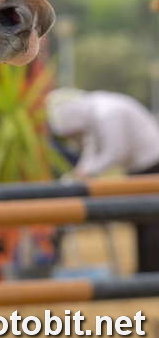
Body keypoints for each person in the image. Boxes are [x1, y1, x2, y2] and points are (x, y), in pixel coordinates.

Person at [47, 87, 159, 272]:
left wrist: (87, 173)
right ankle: (144, 272)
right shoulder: (95, 113)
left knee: (152, 223)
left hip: (153, 166)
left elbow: (115, 152)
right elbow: (91, 152)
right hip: (137, 169)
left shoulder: (108, 113)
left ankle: (150, 273)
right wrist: (81, 171)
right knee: (141, 221)